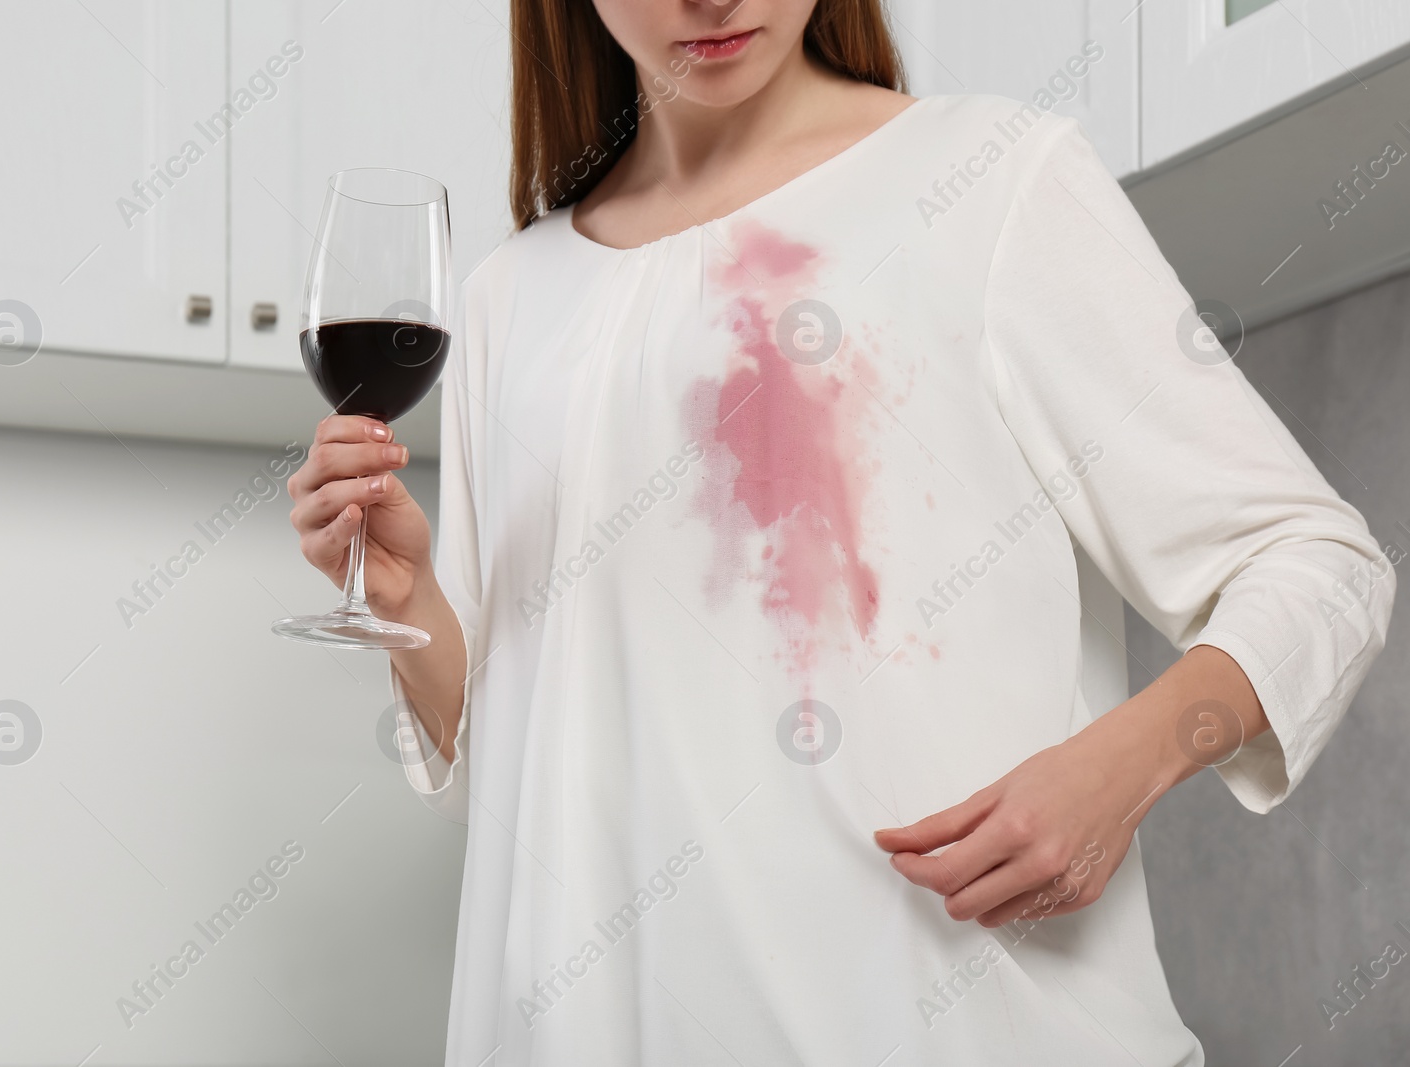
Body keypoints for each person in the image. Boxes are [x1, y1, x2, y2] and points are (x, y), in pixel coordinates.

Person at [285, 1, 1395, 1063]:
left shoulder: (993, 181)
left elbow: (1317, 568)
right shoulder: (503, 298)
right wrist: (406, 600)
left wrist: (1118, 767)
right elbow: (518, 756)